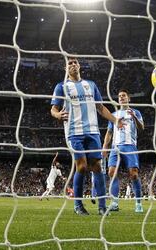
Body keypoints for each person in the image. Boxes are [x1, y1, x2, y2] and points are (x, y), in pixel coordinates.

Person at [51, 57, 124, 216]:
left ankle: (102, 206)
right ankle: (78, 205)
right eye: (69, 63)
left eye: (75, 62)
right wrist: (57, 115)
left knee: (97, 167)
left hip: (93, 132)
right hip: (74, 133)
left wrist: (115, 120)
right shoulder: (61, 87)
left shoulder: (91, 85)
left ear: (79, 66)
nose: (73, 64)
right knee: (82, 166)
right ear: (66, 68)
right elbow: (53, 108)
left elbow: (100, 107)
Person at [102, 89, 144, 213]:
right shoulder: (114, 115)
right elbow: (109, 132)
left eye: (124, 96)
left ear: (128, 98)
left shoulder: (136, 112)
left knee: (134, 174)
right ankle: (114, 202)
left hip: (130, 146)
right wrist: (105, 146)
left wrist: (134, 117)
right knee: (111, 172)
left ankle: (138, 203)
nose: (121, 97)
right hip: (115, 147)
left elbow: (142, 127)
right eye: (120, 96)